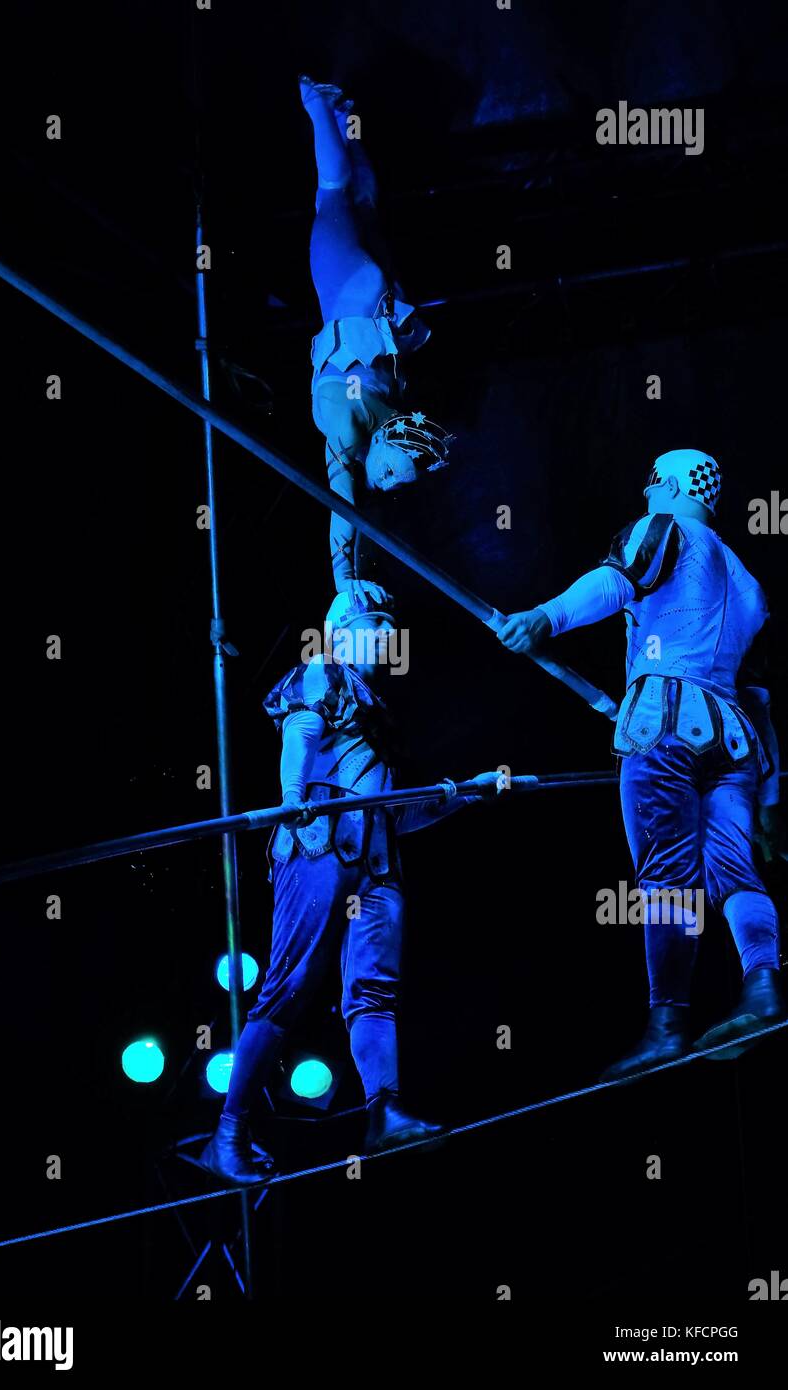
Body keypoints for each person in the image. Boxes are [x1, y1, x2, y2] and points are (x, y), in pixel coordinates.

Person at [497, 449, 784, 1080]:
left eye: (654, 481)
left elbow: (617, 581)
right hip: (733, 740)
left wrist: (545, 616)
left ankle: (667, 1025)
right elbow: (759, 699)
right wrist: (770, 805)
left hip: (665, 719)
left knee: (666, 881)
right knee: (735, 872)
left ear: (674, 485)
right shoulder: (749, 582)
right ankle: (763, 987)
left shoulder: (663, 530)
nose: (647, 490)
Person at [200, 588, 501, 1184]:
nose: (386, 638)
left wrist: (463, 794)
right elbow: (302, 732)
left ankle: (383, 1111)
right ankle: (228, 1131)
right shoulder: (323, 674)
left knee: (373, 992)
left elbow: (395, 812)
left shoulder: (377, 708)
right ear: (343, 628)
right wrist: (292, 799)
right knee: (290, 987)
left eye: (389, 627)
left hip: (377, 864)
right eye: (375, 625)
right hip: (317, 849)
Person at [300, 75, 452, 605]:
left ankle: (344, 120)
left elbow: (356, 513)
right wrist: (345, 588)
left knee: (361, 200)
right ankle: (317, 106)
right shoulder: (348, 430)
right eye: (388, 479)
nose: (384, 486)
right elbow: (342, 517)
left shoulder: (389, 419)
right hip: (350, 291)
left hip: (379, 296)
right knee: (335, 195)